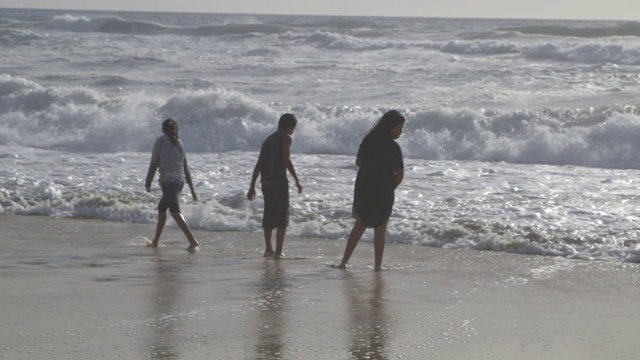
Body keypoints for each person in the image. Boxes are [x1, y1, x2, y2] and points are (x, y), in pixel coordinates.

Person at [337, 110, 406, 271]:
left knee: (360, 224)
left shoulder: (369, 140)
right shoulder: (393, 147)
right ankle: (377, 265)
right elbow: (400, 174)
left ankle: (344, 262)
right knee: (381, 227)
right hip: (383, 188)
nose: (401, 132)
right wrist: (390, 187)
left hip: (364, 186)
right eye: (399, 128)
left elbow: (358, 161)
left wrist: (371, 171)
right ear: (390, 127)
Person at [247, 113, 303, 259]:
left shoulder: (268, 140)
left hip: (266, 182)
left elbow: (259, 164)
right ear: (290, 127)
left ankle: (268, 250)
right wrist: (296, 179)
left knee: (268, 216)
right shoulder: (286, 138)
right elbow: (286, 160)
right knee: (282, 218)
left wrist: (252, 186)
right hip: (279, 182)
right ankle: (278, 252)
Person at [145, 118, 199, 250]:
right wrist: (192, 191)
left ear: (163, 130)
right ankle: (155, 241)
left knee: (175, 211)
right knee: (162, 209)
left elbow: (154, 163)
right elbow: (186, 169)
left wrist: (148, 181)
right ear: (177, 130)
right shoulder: (180, 143)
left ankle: (193, 241)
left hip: (169, 183)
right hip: (178, 182)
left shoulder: (160, 141)